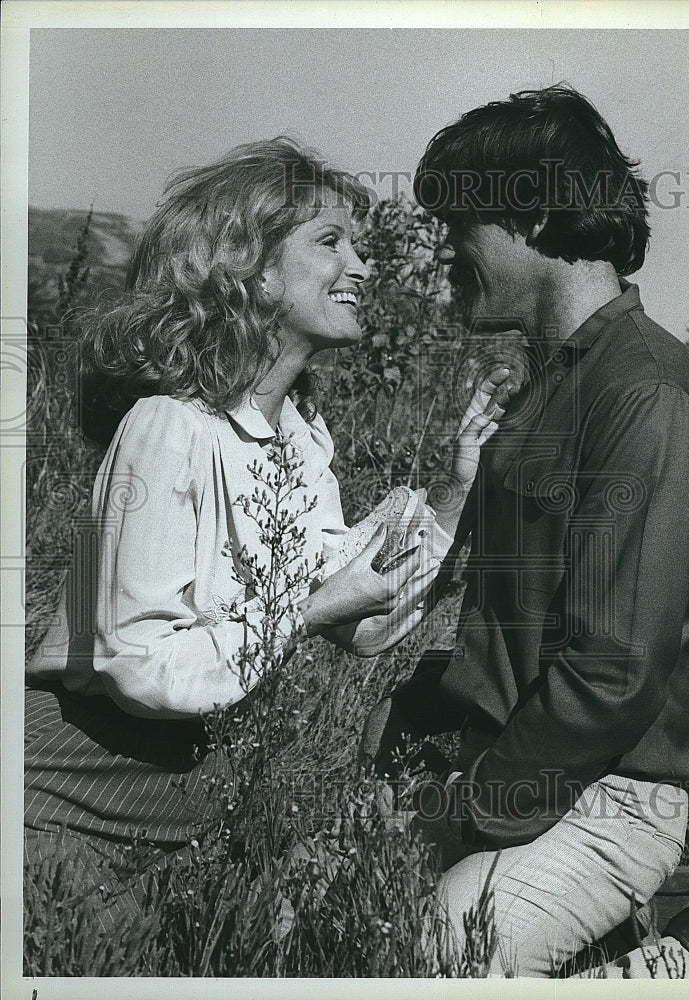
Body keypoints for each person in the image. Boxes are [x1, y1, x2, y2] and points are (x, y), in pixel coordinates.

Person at [24, 138, 501, 931]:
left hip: (188, 808)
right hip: (70, 795)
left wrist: (453, 493)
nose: (362, 266)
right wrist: (306, 614)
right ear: (250, 271)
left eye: (355, 243)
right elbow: (139, 661)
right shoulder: (170, 427)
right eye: (329, 242)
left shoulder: (298, 437)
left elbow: (364, 617)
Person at [362, 85, 689, 977]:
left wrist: (466, 813)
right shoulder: (556, 383)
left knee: (437, 958)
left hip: (603, 793)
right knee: (329, 920)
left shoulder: (642, 394)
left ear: (530, 210)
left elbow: (611, 674)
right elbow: (505, 611)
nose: (442, 242)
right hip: (514, 773)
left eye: (458, 217)